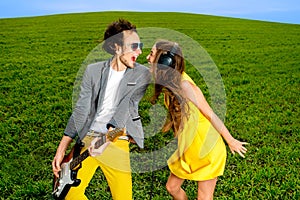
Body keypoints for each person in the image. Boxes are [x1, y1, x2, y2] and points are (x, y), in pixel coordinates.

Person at [52, 19, 150, 200]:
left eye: (140, 46)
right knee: (69, 195)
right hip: (88, 138)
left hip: (117, 139)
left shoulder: (141, 73)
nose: (140, 51)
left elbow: (126, 108)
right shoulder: (93, 71)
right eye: (134, 46)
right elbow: (82, 109)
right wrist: (61, 150)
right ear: (116, 47)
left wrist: (106, 140)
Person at [146, 40, 248, 200]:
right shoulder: (168, 83)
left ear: (165, 62)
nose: (147, 57)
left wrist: (231, 140)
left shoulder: (185, 85)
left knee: (204, 197)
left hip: (206, 147)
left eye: (151, 54)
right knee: (172, 187)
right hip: (187, 147)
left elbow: (210, 114)